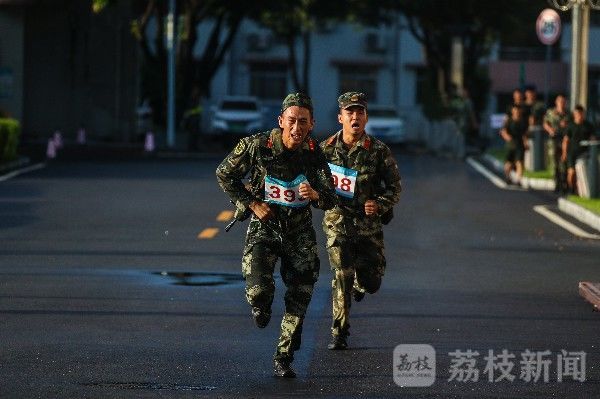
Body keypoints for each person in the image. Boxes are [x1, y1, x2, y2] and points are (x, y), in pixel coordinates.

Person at [216, 93, 336, 378]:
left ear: (311, 125)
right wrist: (252, 204)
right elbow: (224, 174)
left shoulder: (314, 153)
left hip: (300, 234)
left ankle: (283, 358)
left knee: (300, 297)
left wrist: (317, 194)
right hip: (264, 230)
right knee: (259, 293)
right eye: (292, 121)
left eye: (303, 122)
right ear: (281, 121)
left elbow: (331, 197)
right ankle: (261, 306)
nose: (297, 128)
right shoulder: (257, 146)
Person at [320, 92, 401, 350]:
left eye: (360, 112)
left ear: (366, 118)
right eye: (350, 112)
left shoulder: (378, 151)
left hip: (368, 227)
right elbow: (310, 181)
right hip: (337, 222)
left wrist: (379, 204)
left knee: (371, 283)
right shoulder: (324, 150)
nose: (355, 117)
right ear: (340, 117)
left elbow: (395, 187)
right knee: (340, 274)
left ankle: (361, 283)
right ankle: (339, 332)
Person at [562, 105, 596, 194]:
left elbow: (593, 137)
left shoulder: (588, 125)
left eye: (581, 114)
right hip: (572, 152)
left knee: (581, 172)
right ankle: (571, 188)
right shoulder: (570, 126)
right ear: (574, 114)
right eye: (577, 114)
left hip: (584, 153)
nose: (579, 116)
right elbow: (566, 140)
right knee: (572, 172)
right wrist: (564, 153)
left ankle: (579, 190)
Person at [543, 94, 569, 193]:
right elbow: (545, 123)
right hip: (553, 140)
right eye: (560, 101)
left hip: (564, 140)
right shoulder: (551, 112)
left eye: (563, 101)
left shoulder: (568, 114)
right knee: (554, 162)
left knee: (563, 161)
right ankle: (556, 183)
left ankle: (563, 183)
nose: (561, 103)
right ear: (556, 102)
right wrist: (550, 130)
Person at [500, 104, 528, 185]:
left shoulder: (523, 121)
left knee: (519, 162)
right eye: (515, 110)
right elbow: (503, 131)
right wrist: (507, 137)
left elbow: (524, 134)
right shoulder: (508, 121)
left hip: (519, 144)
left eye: (518, 110)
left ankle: (519, 180)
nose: (517, 112)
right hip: (510, 145)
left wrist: (525, 142)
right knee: (509, 163)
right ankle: (507, 176)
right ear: (512, 111)